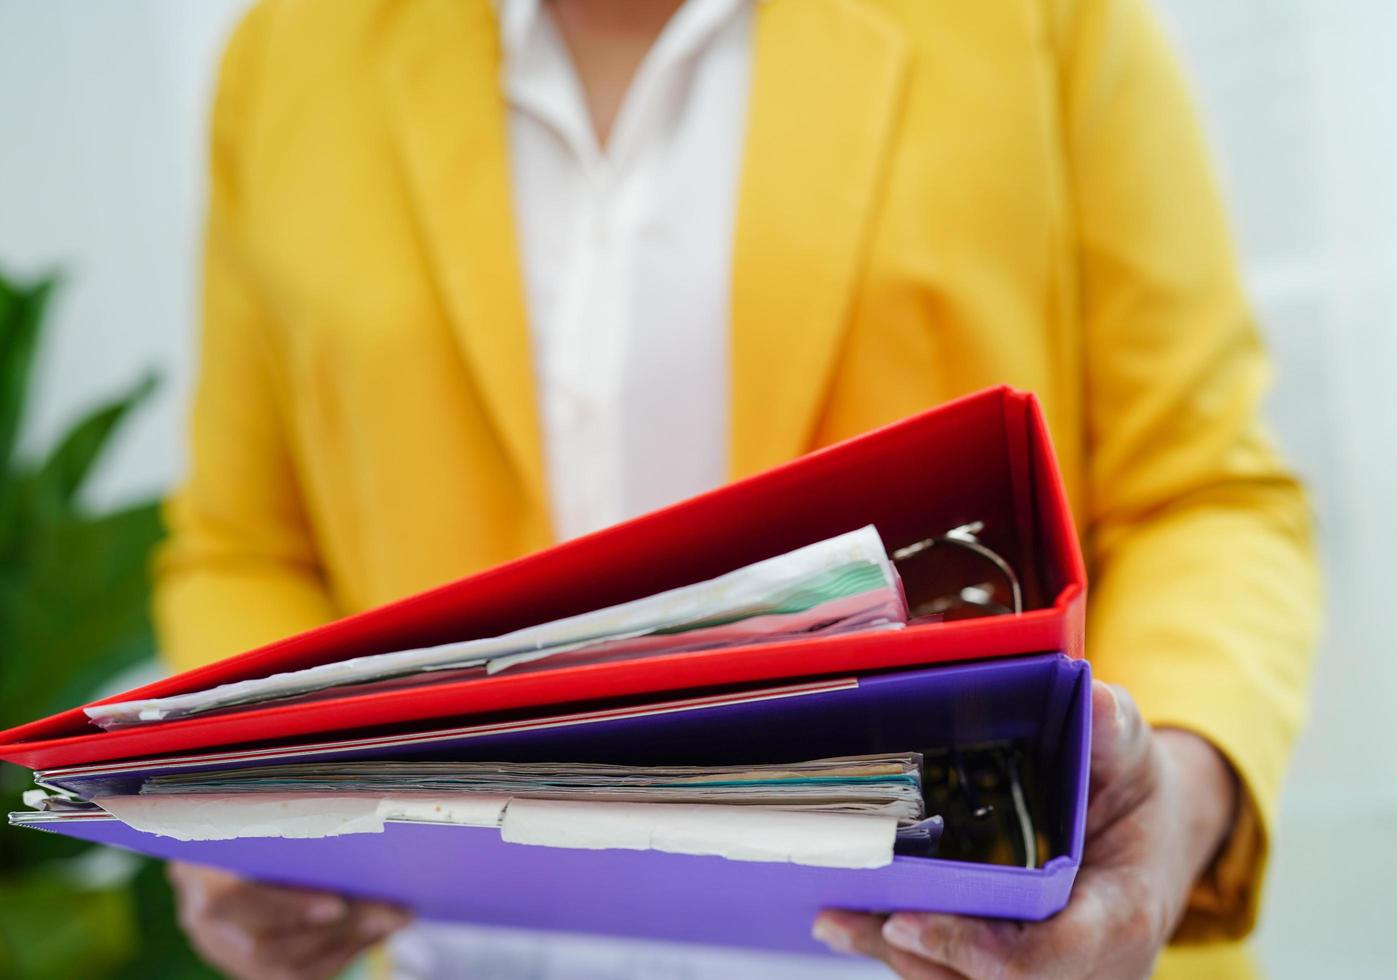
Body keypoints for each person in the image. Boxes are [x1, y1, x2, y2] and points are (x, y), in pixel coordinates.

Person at [157, 0, 1320, 977]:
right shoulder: (288, 60)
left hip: (958, 946)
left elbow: (1199, 493)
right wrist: (235, 807)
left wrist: (1176, 806)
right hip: (473, 947)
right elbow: (246, 542)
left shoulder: (1036, 22)